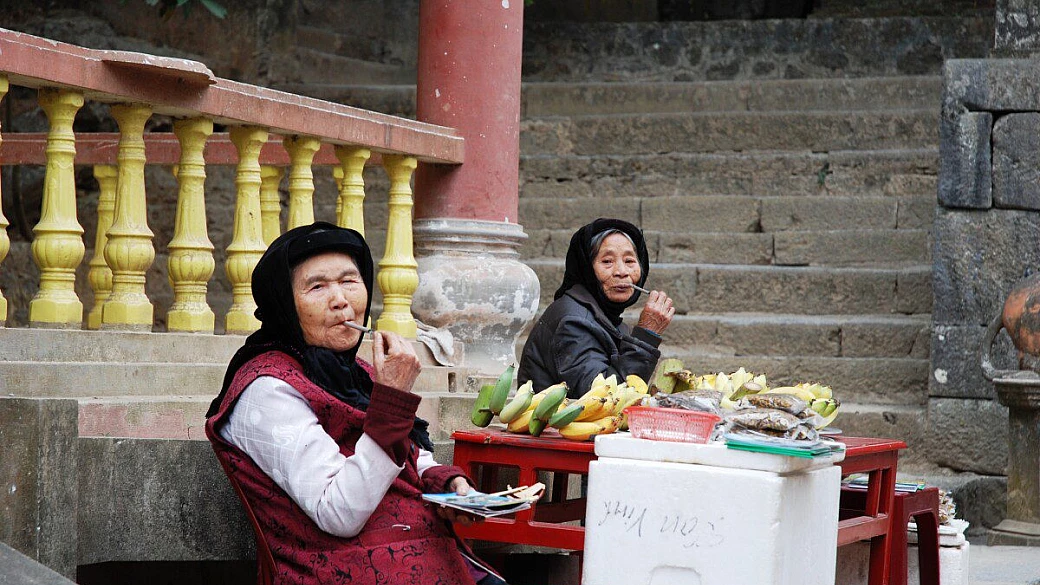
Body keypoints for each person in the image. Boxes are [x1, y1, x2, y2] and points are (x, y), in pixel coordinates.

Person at [205, 222, 506, 585]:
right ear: (285, 303)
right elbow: (339, 512)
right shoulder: (266, 389)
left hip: (430, 557)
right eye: (317, 287)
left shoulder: (357, 372)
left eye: (350, 281)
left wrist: (448, 485)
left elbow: (410, 455)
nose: (341, 300)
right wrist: (392, 400)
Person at [518, 218, 674, 398]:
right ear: (586, 269)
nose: (621, 271)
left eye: (630, 261)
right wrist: (646, 335)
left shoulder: (603, 317)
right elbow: (601, 399)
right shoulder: (573, 322)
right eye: (607, 261)